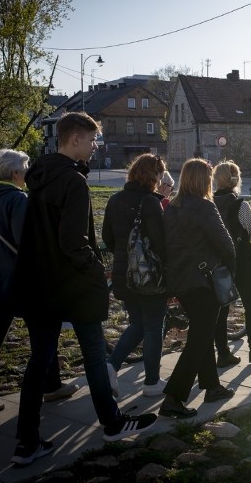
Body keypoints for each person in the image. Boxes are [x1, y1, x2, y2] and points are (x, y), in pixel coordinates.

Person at [12, 112, 156, 466]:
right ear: (74, 139)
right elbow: (74, 242)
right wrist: (96, 272)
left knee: (38, 362)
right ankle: (113, 422)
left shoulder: (39, 177)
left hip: (38, 282)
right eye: (92, 140)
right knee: (93, 354)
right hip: (73, 284)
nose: (95, 147)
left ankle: (25, 442)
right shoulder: (73, 182)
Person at [0, 150, 76, 415]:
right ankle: (50, 385)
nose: (28, 173)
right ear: (16, 173)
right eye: (26, 169)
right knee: (45, 333)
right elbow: (28, 243)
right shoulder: (18, 200)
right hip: (21, 282)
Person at [159, 158, 236, 418]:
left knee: (203, 332)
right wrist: (230, 269)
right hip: (204, 280)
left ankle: (212, 386)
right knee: (200, 337)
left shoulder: (172, 207)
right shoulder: (204, 207)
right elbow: (225, 243)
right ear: (204, 180)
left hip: (180, 280)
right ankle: (173, 397)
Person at [102, 153, 169, 397]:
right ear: (153, 175)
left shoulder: (115, 199)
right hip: (148, 276)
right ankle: (152, 381)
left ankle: (111, 365)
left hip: (124, 274)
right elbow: (160, 243)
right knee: (153, 326)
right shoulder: (150, 203)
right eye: (160, 174)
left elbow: (108, 238)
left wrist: (125, 258)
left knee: (138, 323)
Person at [211, 160, 251, 365]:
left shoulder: (209, 202)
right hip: (241, 260)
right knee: (250, 304)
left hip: (218, 261)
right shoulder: (240, 204)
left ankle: (222, 352)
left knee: (222, 307)